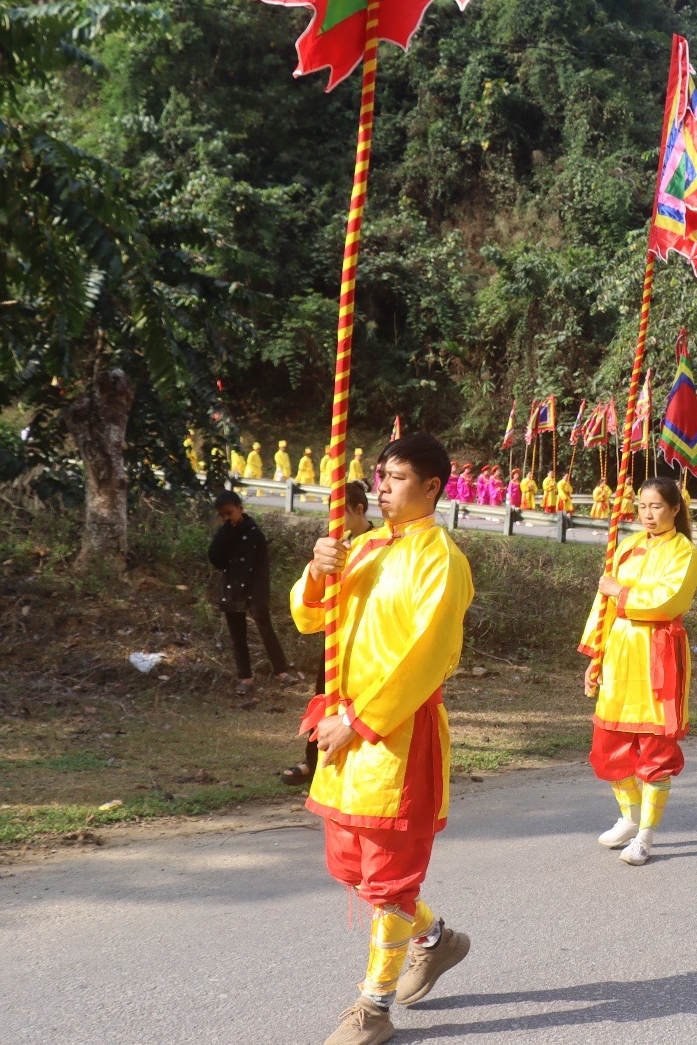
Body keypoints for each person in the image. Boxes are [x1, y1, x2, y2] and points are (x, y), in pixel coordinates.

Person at [289, 433, 473, 1044]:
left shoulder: (440, 559)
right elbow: (312, 617)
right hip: (344, 726)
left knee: (390, 875)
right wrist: (317, 573)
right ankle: (435, 939)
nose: (382, 487)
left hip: (395, 731)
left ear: (432, 488)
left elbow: (425, 657)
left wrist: (361, 721)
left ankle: (374, 1006)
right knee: (356, 870)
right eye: (379, 475)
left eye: (396, 478)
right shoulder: (362, 547)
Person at [578, 478, 697, 866]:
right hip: (619, 651)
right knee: (609, 743)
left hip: (658, 653)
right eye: (642, 506)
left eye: (656, 506)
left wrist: (619, 591)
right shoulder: (627, 546)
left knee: (654, 748)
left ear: (674, 509)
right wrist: (595, 656)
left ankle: (647, 834)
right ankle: (629, 816)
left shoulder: (686, 554)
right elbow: (600, 609)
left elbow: (666, 602)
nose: (647, 514)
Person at [283, 481, 372, 787]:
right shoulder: (339, 546)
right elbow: (311, 608)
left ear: (359, 510)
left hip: (370, 647)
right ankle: (313, 759)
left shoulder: (383, 545)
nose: (333, 521)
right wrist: (318, 572)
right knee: (323, 698)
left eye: (339, 513)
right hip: (337, 639)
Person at [208, 491, 295, 688]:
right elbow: (216, 559)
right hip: (232, 588)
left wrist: (261, 596)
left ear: (240, 509)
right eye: (222, 515)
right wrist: (225, 535)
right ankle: (245, 677)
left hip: (254, 589)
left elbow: (261, 568)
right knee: (238, 636)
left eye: (229, 513)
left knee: (266, 629)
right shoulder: (225, 533)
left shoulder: (255, 535)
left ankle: (281, 671)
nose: (226, 518)